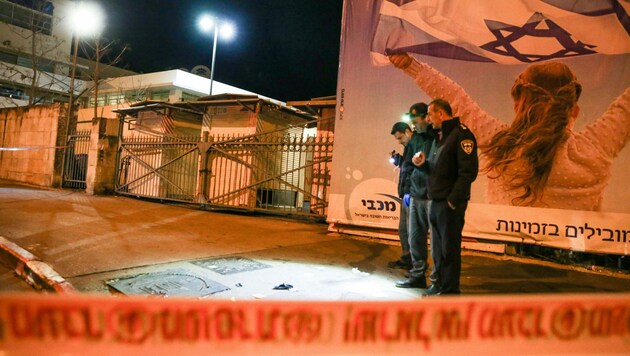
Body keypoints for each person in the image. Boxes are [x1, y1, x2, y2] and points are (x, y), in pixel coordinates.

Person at [389, 53, 630, 211]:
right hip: (576, 263)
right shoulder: (595, 148)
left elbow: (456, 100)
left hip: (505, 256)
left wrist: (411, 65)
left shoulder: (503, 143)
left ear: (518, 106)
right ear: (574, 110)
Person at [413, 99, 478, 295]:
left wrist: (452, 201)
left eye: (431, 115)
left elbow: (468, 172)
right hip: (436, 201)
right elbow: (438, 170)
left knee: (449, 249)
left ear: (441, 114)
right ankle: (439, 285)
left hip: (448, 204)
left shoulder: (462, 135)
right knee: (438, 250)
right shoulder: (440, 137)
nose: (429, 120)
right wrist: (423, 164)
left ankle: (450, 290)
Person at [395, 103, 438, 289]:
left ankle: (437, 281)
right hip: (416, 194)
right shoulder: (416, 139)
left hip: (433, 195)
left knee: (437, 242)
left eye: (416, 121)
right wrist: (407, 191)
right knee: (415, 238)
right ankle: (418, 275)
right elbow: (407, 167)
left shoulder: (437, 136)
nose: (414, 125)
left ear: (426, 117)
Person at [387, 122, 416, 270]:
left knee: (412, 230)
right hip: (406, 193)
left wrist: (410, 192)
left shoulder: (417, 145)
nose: (399, 141)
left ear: (407, 131)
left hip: (412, 194)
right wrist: (398, 159)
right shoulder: (408, 147)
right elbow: (407, 167)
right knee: (403, 229)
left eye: (400, 138)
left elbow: (416, 171)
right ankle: (407, 258)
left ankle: (416, 265)